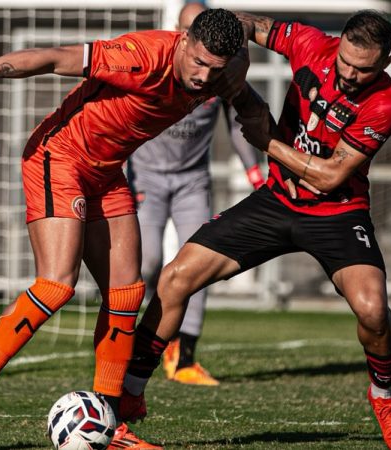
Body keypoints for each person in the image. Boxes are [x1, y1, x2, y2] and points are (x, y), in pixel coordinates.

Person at [0, 8, 247, 450]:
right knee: (57, 284)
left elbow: (247, 93)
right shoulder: (140, 56)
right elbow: (52, 57)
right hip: (58, 158)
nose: (203, 76)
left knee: (126, 292)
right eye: (197, 62)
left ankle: (109, 420)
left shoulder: (227, 71)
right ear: (183, 41)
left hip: (106, 172)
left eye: (214, 68)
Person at [119, 9, 391, 450]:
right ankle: (130, 397)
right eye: (346, 63)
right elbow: (242, 23)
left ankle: (384, 398)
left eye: (365, 69)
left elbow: (331, 177)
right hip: (275, 202)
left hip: (338, 212)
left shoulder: (385, 102)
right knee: (175, 279)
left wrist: (269, 141)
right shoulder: (311, 44)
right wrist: (234, 61)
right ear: (338, 43)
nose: (351, 74)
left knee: (372, 311)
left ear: (386, 64)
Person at [128, 1, 264, 387]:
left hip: (191, 181)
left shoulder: (219, 72)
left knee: (198, 265)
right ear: (181, 34)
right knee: (147, 262)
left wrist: (254, 170)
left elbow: (239, 121)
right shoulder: (154, 60)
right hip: (147, 180)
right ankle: (127, 341)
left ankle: (183, 355)